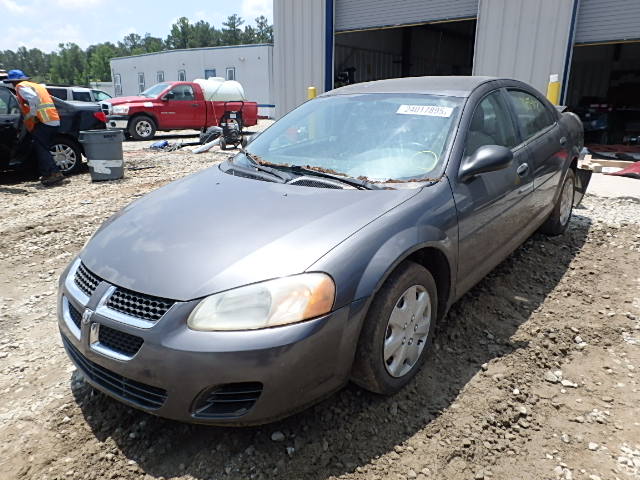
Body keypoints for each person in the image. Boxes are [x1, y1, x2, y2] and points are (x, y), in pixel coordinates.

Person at [4, 69, 64, 186]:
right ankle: (48, 173)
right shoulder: (36, 85)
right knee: (44, 148)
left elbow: (33, 98)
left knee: (41, 148)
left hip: (43, 120)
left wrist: (31, 114)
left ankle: (54, 174)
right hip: (53, 119)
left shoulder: (20, 87)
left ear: (13, 81)